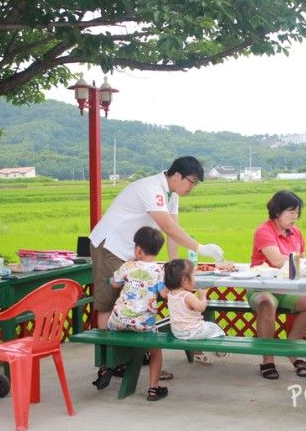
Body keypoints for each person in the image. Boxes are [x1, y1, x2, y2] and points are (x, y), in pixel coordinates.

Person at [89, 156, 224, 381]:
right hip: (111, 245)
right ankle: (108, 362)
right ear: (177, 175)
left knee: (138, 302)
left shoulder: (173, 195)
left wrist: (174, 267)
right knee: (109, 301)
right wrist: (201, 247)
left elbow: (174, 230)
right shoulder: (151, 188)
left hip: (133, 252)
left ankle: (129, 356)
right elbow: (167, 227)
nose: (192, 187)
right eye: (192, 181)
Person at [249, 190, 306, 380]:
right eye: (291, 212)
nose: (295, 216)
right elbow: (276, 260)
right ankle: (268, 360)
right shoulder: (264, 231)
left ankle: (291, 347)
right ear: (277, 212)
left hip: (288, 288)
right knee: (267, 303)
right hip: (262, 286)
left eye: (297, 212)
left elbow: (301, 260)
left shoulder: (296, 232)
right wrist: (304, 263)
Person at [103, 226, 170, 401]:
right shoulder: (159, 270)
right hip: (143, 324)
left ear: (138, 249)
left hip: (117, 321)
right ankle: (153, 389)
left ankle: (107, 367)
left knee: (112, 331)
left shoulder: (128, 266)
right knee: (156, 350)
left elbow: (115, 284)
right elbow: (164, 295)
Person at [164, 259, 229, 365]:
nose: (195, 279)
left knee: (201, 327)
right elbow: (201, 307)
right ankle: (220, 350)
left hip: (177, 332)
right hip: (192, 331)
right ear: (185, 280)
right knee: (215, 328)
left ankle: (198, 353)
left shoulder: (171, 294)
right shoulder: (187, 295)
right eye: (193, 276)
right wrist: (203, 296)